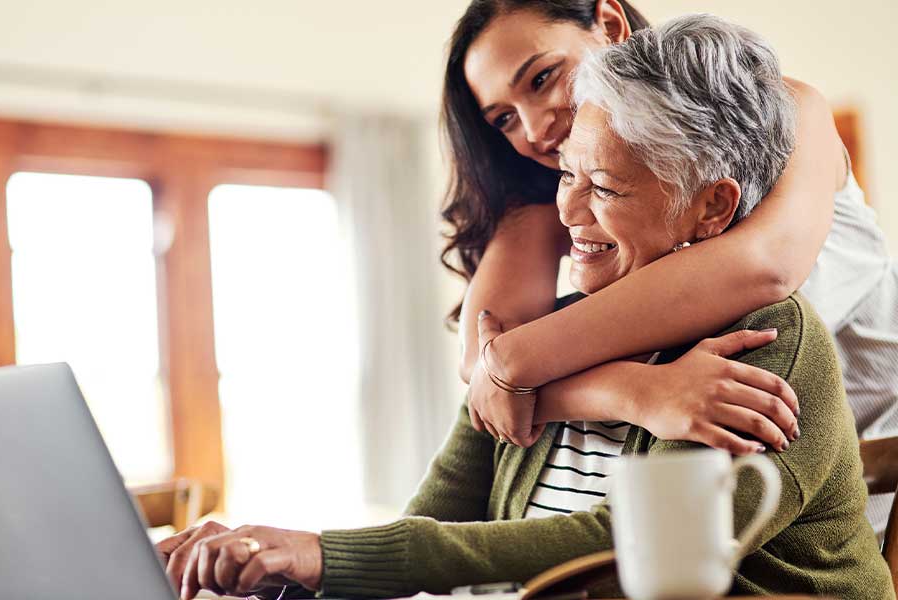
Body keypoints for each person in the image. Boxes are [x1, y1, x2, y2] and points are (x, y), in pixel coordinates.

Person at [155, 16, 894, 599]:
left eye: (602, 187)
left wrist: (330, 555)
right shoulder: (561, 319)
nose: (566, 208)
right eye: (565, 174)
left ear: (709, 208)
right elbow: (441, 510)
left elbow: (627, 552)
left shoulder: (763, 335)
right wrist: (288, 570)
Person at [447, 0, 896, 538]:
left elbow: (763, 268)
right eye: (503, 119)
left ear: (609, 24)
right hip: (729, 477)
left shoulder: (783, 111)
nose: (536, 128)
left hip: (870, 480)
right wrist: (632, 391)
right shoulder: (564, 188)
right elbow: (482, 360)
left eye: (543, 78)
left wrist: (517, 362)